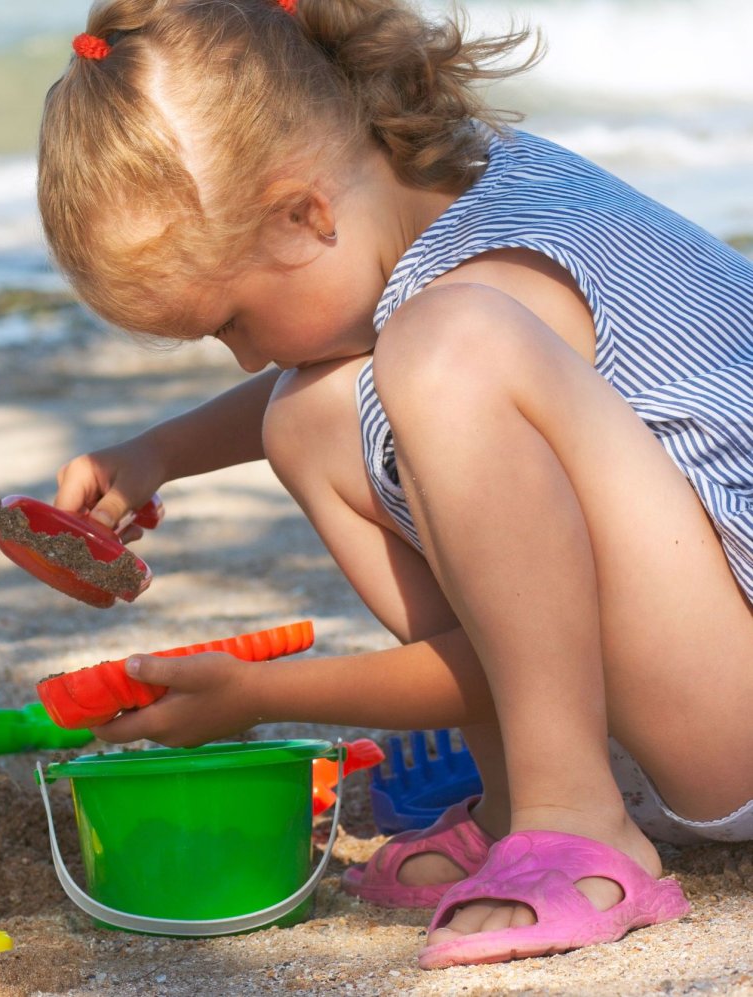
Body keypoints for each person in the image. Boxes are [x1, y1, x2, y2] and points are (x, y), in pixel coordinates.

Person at [36, 0, 753, 970]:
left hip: (733, 727)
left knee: (437, 350)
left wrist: (261, 693)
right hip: (711, 662)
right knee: (309, 412)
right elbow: (337, 365)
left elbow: (518, 635)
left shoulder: (482, 306)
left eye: (232, 320)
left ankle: (576, 816)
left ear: (305, 214)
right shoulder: (470, 187)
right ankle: (521, 800)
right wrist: (160, 450)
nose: (241, 353)